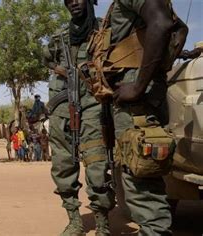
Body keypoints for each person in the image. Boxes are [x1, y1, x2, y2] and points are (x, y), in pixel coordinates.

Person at [101, 0, 187, 234]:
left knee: (141, 177)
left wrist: (138, 86)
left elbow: (161, 23)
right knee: (136, 173)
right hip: (135, 100)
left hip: (138, 103)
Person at [45, 0, 115, 235]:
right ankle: (74, 220)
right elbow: (46, 58)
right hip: (63, 106)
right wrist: (60, 70)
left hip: (94, 102)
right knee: (63, 163)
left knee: (97, 163)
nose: (73, 2)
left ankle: (102, 222)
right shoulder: (60, 37)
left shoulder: (104, 31)